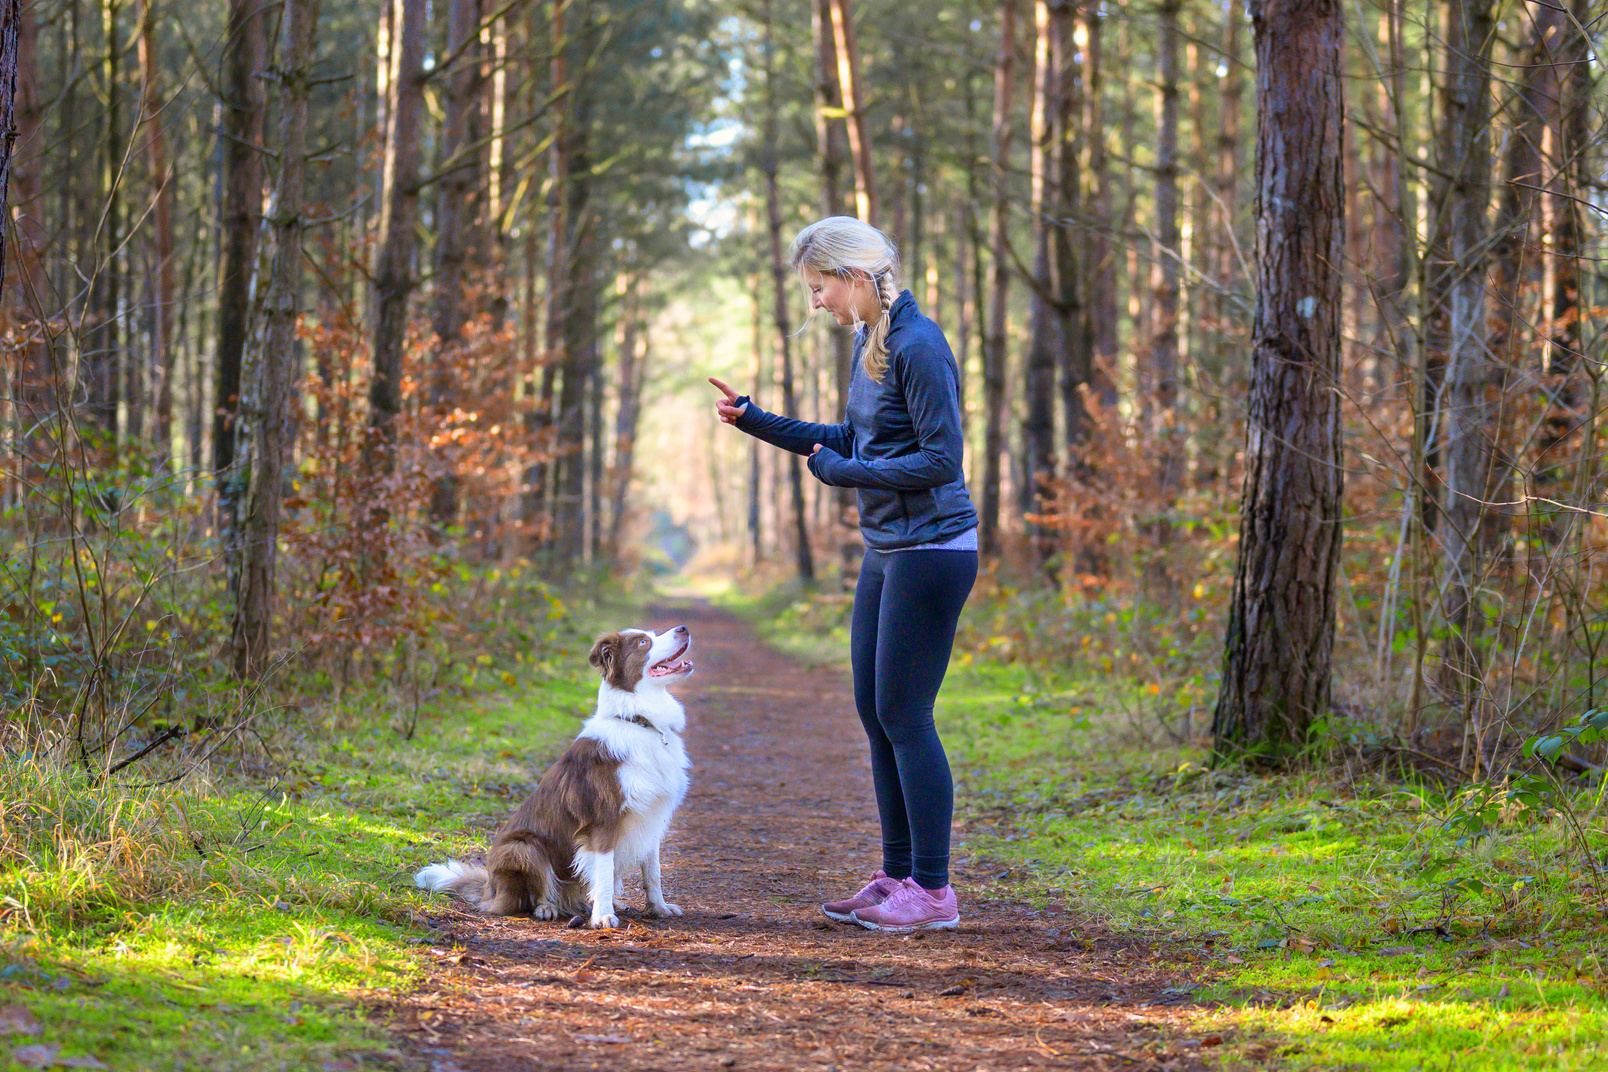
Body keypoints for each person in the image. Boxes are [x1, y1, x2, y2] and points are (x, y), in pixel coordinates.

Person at [709, 216, 978, 933]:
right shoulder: (875, 340)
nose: (817, 302)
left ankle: (935, 891)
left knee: (907, 717)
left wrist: (843, 473)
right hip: (889, 547)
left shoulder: (919, 345)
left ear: (855, 276)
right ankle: (896, 877)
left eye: (820, 286)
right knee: (876, 713)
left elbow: (941, 460)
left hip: (934, 549)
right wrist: (756, 421)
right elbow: (853, 439)